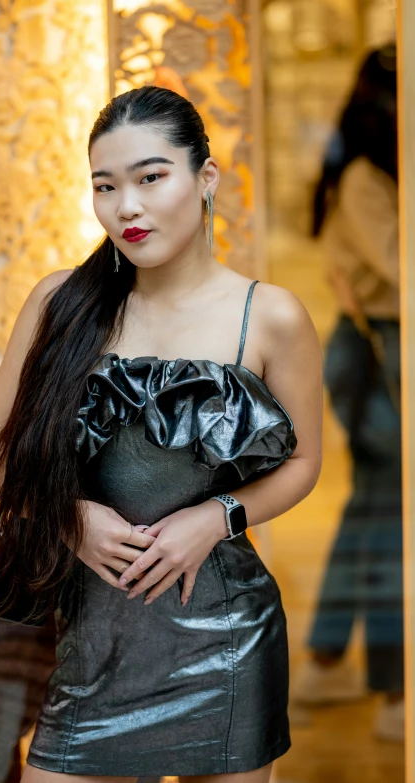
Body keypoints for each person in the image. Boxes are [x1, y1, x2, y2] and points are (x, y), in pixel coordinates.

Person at [0, 86, 323, 783]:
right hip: (93, 646)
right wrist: (69, 518)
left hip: (225, 644)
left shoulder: (271, 316)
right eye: (105, 186)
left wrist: (213, 518)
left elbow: (306, 460)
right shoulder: (59, 303)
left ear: (206, 178)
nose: (125, 206)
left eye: (150, 177)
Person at [292, 44, 403, 742]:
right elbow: (399, 271)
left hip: (375, 348)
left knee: (373, 506)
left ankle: (329, 655)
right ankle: (394, 688)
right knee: (387, 511)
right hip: (376, 349)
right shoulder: (366, 174)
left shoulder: (368, 168)